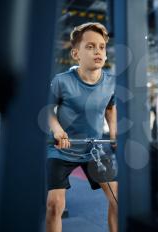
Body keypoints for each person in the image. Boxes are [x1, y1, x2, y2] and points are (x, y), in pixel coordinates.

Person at [46, 22, 118, 232]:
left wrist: (113, 132)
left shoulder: (111, 82)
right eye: (90, 46)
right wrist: (58, 130)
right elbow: (48, 111)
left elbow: (110, 109)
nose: (98, 51)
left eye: (102, 47)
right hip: (61, 150)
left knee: (117, 200)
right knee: (54, 206)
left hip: (93, 150)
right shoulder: (61, 81)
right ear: (76, 54)